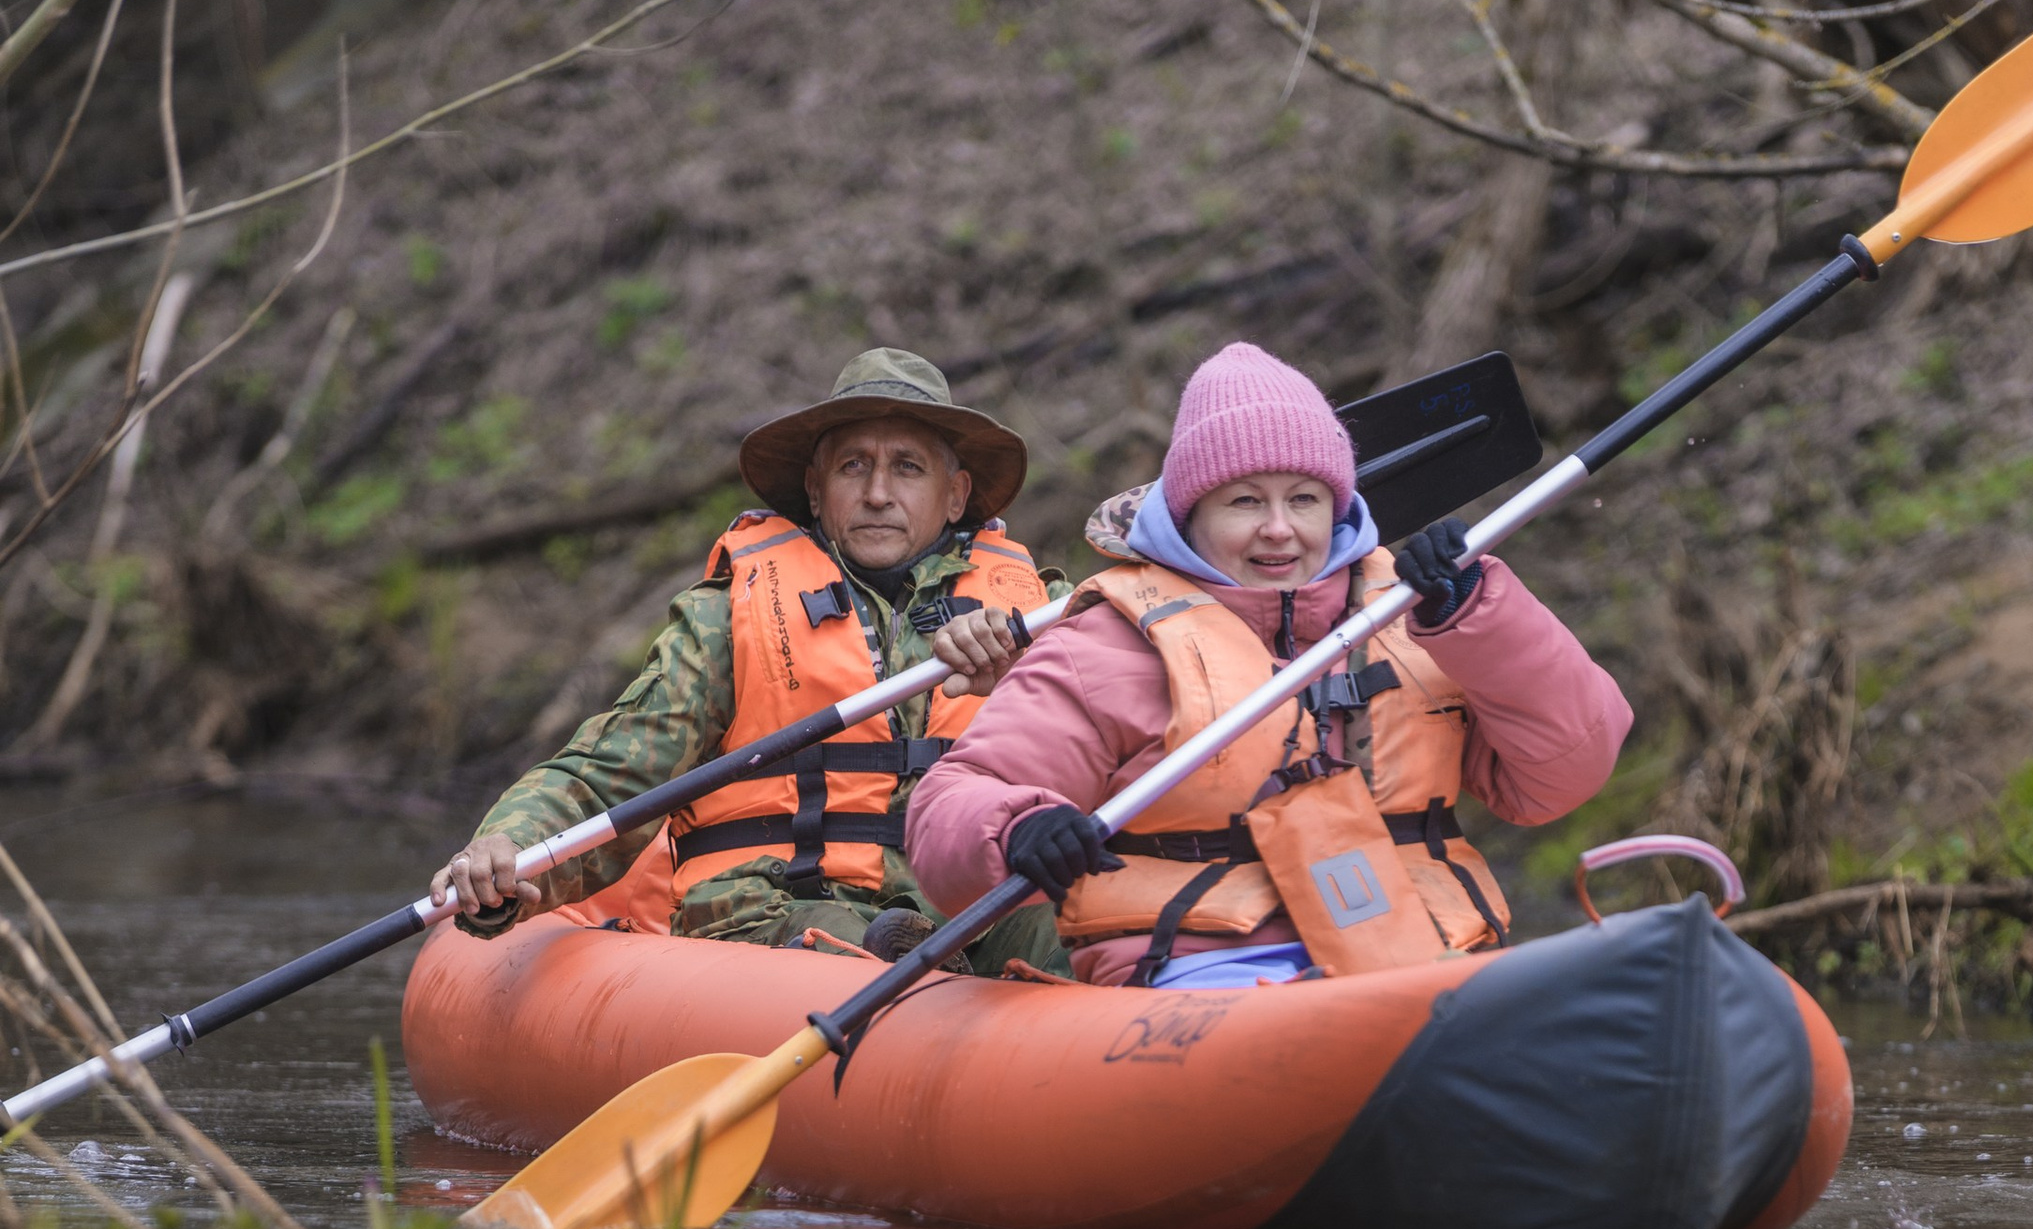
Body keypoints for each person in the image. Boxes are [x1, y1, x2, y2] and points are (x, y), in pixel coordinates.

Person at [902, 340, 1630, 991]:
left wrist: (1482, 617)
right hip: (1198, 967)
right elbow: (952, 804)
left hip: (1418, 952)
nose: (1279, 529)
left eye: (1305, 500)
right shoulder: (1106, 643)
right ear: (1191, 515)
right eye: (1245, 501)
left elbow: (1561, 778)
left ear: (1339, 509)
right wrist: (1016, 830)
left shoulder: (1419, 614)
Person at [429, 349, 1066, 972]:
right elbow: (608, 775)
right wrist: (511, 844)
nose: (878, 493)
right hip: (778, 906)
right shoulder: (725, 616)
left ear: (955, 496)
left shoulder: (1036, 614)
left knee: (1067, 920)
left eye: (907, 467)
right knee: (854, 943)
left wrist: (1027, 667)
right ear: (815, 492)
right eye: (853, 467)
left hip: (967, 903)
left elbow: (1134, 709)